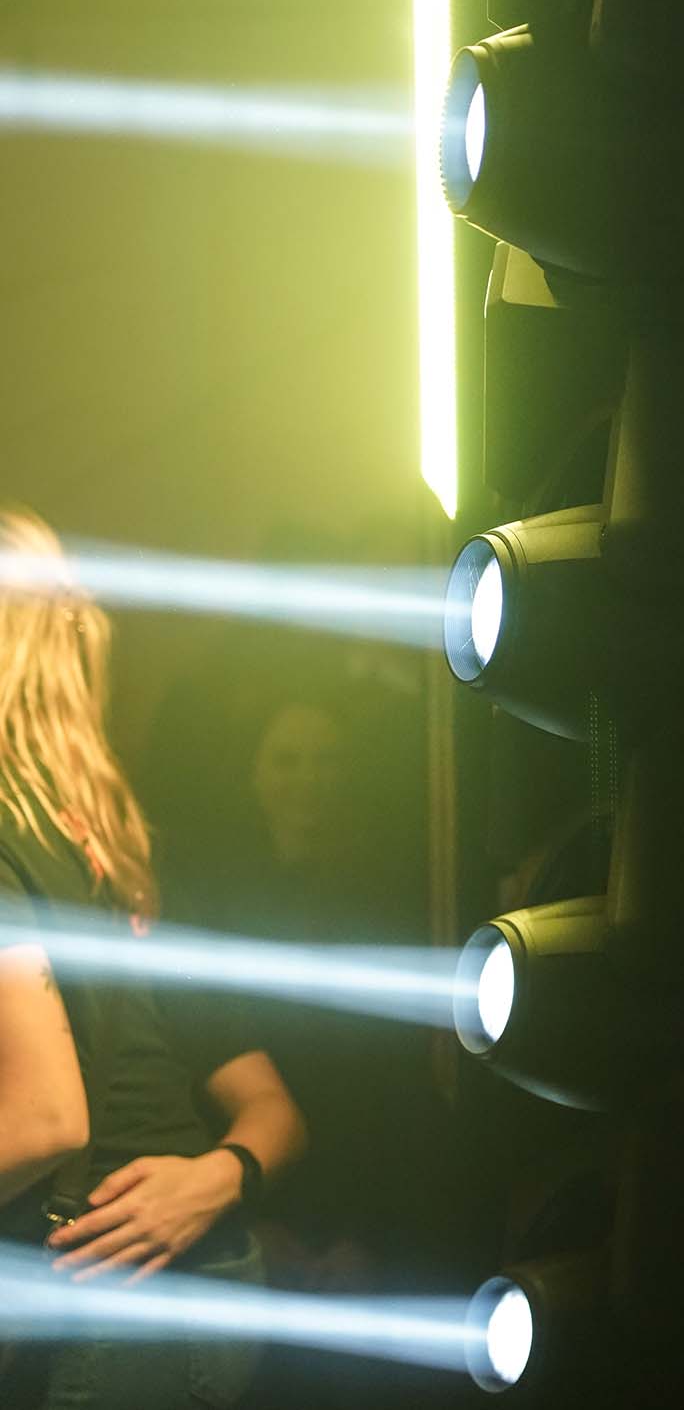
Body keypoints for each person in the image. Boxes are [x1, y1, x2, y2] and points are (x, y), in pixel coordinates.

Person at [0, 506, 308, 1410]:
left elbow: (48, 1117)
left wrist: (219, 1176)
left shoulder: (49, 844)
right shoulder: (99, 846)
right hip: (183, 1286)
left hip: (115, 1291)